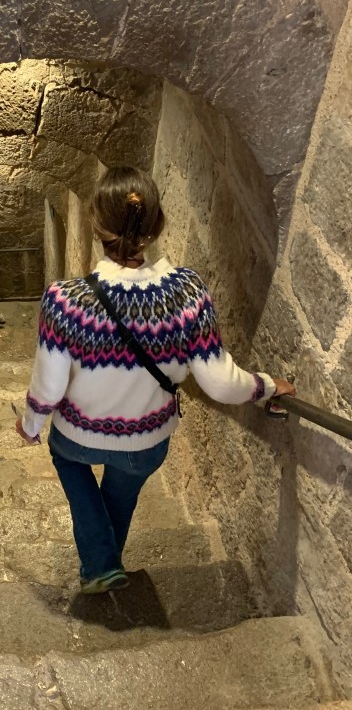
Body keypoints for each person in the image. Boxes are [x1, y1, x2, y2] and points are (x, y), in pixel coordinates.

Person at [15, 167, 295, 594]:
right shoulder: (187, 292)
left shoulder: (64, 300)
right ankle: (103, 564)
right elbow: (220, 383)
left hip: (78, 437)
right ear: (157, 223)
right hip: (145, 442)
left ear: (97, 226)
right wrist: (267, 386)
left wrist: (30, 425)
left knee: (66, 459)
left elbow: (49, 389)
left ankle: (102, 564)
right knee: (121, 493)